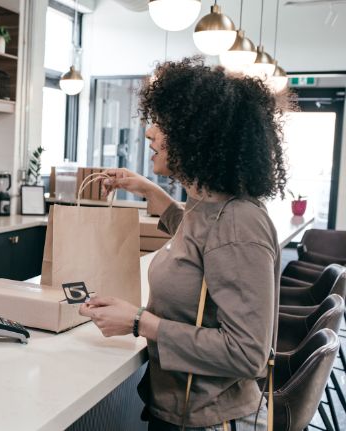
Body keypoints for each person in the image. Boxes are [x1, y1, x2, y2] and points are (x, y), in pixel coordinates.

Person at [79, 58, 289, 430]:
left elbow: (248, 354)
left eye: (163, 125)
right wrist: (144, 188)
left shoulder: (238, 223)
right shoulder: (211, 206)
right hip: (185, 413)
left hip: (212, 420)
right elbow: (197, 237)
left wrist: (140, 322)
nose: (149, 134)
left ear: (197, 135)